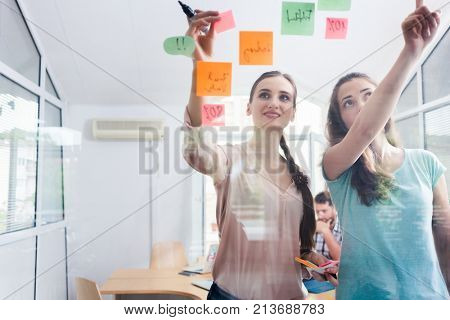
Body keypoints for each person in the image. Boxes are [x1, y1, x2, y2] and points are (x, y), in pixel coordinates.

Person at [182, 10, 336, 299]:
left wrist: (314, 259)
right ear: (249, 107)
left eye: (284, 97)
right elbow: (194, 147)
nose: (274, 102)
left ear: (292, 113)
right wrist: (199, 68)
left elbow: (298, 249)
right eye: (264, 94)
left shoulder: (298, 174)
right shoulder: (228, 159)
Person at [322, 3, 449, 299]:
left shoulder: (426, 163)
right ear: (339, 119)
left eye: (370, 95)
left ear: (386, 105)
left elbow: (444, 236)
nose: (363, 105)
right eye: (349, 102)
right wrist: (412, 51)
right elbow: (365, 130)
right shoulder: (335, 165)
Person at [314, 191, 342, 261]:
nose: (320, 216)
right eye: (317, 212)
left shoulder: (344, 228)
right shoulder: (315, 227)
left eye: (324, 211)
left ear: (335, 208)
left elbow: (339, 259)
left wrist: (325, 231)